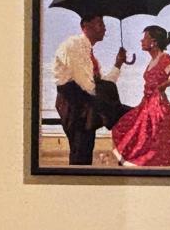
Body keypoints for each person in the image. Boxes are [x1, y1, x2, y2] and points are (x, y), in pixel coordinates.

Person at [52, 13, 128, 166]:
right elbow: (87, 84)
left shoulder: (88, 51)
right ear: (86, 26)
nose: (105, 28)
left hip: (86, 107)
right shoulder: (73, 45)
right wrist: (112, 107)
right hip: (75, 106)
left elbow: (97, 83)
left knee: (85, 150)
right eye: (100, 23)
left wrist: (118, 64)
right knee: (80, 152)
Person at [111, 25, 170, 167]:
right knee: (129, 129)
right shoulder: (153, 60)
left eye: (145, 38)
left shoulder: (164, 58)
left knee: (153, 141)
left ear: (154, 42)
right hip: (147, 103)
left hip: (157, 106)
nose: (141, 41)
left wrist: (163, 85)